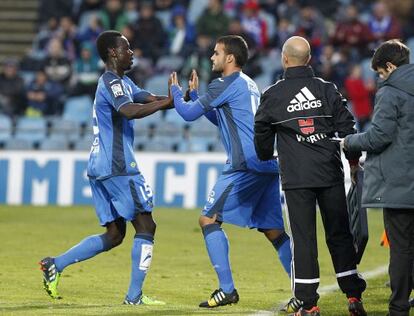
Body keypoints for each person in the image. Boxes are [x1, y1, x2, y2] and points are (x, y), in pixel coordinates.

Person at [39, 30, 173, 305]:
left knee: (115, 235)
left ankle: (55, 264)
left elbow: (146, 97)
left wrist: (178, 98)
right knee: (146, 225)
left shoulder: (122, 81)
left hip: (99, 165)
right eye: (127, 48)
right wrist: (167, 103)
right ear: (113, 53)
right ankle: (134, 297)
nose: (132, 52)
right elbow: (129, 110)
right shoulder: (111, 84)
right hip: (118, 165)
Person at [169, 35, 292, 308]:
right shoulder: (248, 84)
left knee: (208, 220)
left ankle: (227, 290)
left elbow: (188, 115)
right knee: (274, 231)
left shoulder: (224, 83)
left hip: (244, 165)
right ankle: (303, 291)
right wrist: (195, 98)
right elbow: (220, 115)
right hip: (267, 164)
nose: (212, 57)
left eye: (216, 53)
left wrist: (176, 93)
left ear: (230, 58)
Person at [254, 36, 367, 316]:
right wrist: (352, 162)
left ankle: (308, 303)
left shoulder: (273, 95)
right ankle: (353, 295)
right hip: (329, 172)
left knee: (304, 239)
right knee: (340, 234)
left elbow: (262, 133)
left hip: (297, 177)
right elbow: (348, 128)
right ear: (308, 60)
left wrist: (267, 154)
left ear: (285, 59)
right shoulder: (326, 89)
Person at [344, 39, 414, 316]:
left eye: (381, 73)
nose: (380, 78)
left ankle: (398, 309)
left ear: (389, 66)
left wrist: (349, 142)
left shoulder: (391, 92)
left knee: (401, 249)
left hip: (399, 183)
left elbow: (378, 137)